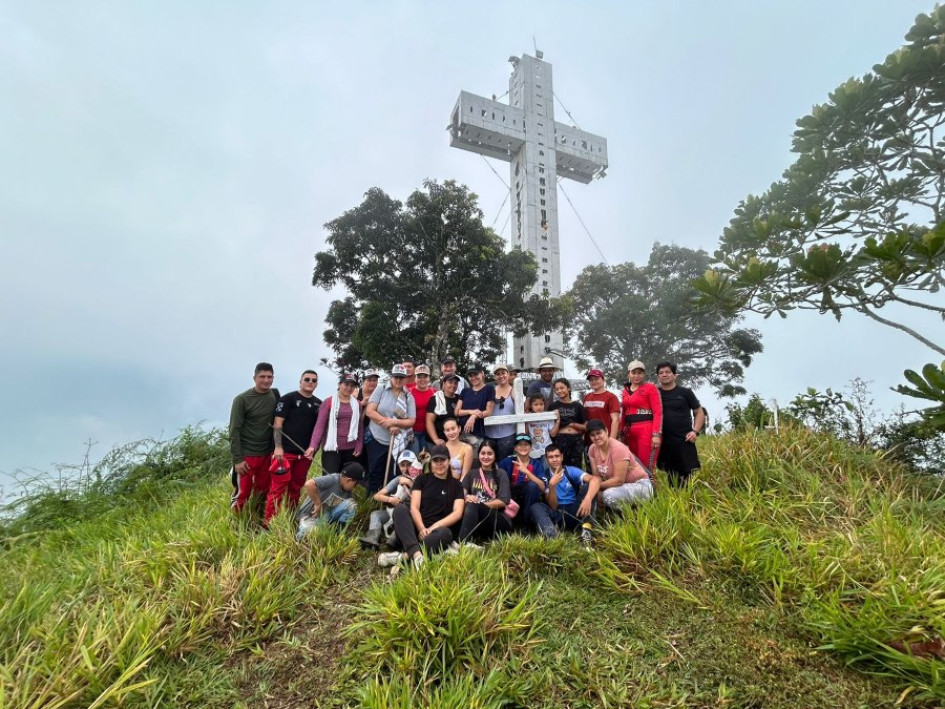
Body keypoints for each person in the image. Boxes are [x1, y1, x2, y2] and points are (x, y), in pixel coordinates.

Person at [377, 445, 465, 572]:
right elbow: (414, 507)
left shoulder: (457, 485)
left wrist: (432, 528)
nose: (439, 464)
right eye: (436, 461)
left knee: (446, 534)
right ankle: (418, 555)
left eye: (443, 460)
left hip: (437, 533)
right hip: (415, 531)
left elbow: (457, 513)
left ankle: (404, 556)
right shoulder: (422, 479)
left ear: (449, 461)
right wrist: (422, 528)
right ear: (431, 462)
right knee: (400, 509)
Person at [265, 370, 322, 525]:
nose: (310, 382)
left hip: (304, 455)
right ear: (300, 381)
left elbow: (319, 430)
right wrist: (278, 447)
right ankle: (269, 524)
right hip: (284, 453)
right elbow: (278, 424)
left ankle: (291, 521)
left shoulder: (319, 404)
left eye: (314, 380)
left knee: (295, 489)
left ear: (316, 384)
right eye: (307, 379)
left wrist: (314, 450)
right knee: (277, 489)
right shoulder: (288, 399)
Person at [230, 362, 279, 517]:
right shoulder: (242, 399)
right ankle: (235, 524)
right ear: (254, 378)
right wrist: (238, 459)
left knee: (262, 490)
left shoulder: (275, 396)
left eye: (269, 377)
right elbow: (234, 430)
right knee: (242, 493)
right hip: (247, 455)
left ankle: (255, 519)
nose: (266, 380)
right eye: (262, 377)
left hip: (266, 454)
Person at [528, 444, 601, 549]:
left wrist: (588, 498)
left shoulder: (570, 471)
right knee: (536, 507)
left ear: (562, 457)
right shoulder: (545, 476)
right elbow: (553, 506)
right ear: (547, 460)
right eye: (551, 457)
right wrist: (552, 486)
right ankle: (552, 536)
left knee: (589, 486)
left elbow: (596, 479)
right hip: (557, 514)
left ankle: (586, 529)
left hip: (576, 510)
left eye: (557, 456)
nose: (554, 459)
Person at [364, 365, 416, 493]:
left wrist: (395, 422)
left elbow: (411, 420)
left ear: (405, 379)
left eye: (401, 377)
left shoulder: (408, 396)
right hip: (377, 438)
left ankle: (388, 501)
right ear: (391, 377)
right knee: (375, 470)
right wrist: (387, 423)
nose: (398, 380)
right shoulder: (381, 389)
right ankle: (372, 501)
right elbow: (370, 411)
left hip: (398, 441)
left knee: (393, 473)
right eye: (396, 377)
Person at [360, 450, 423, 549]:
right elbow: (377, 496)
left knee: (404, 516)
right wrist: (390, 500)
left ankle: (392, 542)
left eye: (409, 464)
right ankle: (372, 538)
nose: (406, 468)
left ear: (415, 465)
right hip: (392, 512)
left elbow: (425, 497)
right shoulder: (398, 479)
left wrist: (410, 483)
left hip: (409, 515)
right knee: (376, 514)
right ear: (399, 466)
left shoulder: (421, 479)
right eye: (402, 465)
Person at [656, 361, 704, 488]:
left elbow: (699, 412)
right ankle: (675, 505)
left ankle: (689, 504)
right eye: (661, 373)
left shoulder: (685, 393)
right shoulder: (655, 394)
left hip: (684, 441)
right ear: (657, 377)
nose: (664, 375)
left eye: (668, 372)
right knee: (671, 477)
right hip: (664, 442)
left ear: (675, 375)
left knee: (687, 478)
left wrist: (695, 431)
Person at [306, 372, 364, 474]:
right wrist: (313, 446)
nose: (349, 388)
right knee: (330, 478)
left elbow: (359, 426)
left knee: (346, 479)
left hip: (351, 448)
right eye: (346, 384)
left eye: (352, 386)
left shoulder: (357, 404)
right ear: (339, 384)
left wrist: (359, 444)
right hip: (331, 448)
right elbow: (320, 426)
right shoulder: (328, 402)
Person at [457, 440, 513, 546]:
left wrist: (478, 506)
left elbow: (503, 501)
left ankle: (461, 544)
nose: (486, 457)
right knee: (468, 505)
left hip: (497, 519)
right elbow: (461, 495)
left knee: (472, 505)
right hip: (476, 519)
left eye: (490, 453)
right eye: (483, 453)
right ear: (478, 455)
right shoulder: (471, 474)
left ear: (495, 456)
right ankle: (466, 543)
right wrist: (467, 497)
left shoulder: (501, 474)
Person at [586, 420, 653, 507]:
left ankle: (633, 515)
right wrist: (595, 488)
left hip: (640, 485)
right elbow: (597, 477)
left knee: (608, 495)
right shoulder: (592, 449)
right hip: (618, 487)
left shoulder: (618, 448)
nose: (596, 437)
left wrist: (595, 487)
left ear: (606, 431)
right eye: (592, 435)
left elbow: (618, 480)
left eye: (599, 433)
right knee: (589, 491)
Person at [297, 461, 366, 537]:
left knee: (351, 504)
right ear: (348, 480)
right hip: (310, 516)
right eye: (356, 484)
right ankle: (319, 530)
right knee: (306, 532)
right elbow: (309, 484)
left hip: (327, 515)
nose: (355, 487)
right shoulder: (332, 479)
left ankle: (336, 534)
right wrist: (317, 503)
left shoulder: (348, 491)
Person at [620, 360, 663, 471]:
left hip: (646, 430)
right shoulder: (625, 391)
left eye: (640, 373)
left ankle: (651, 488)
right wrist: (621, 432)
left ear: (644, 374)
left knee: (646, 466)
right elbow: (624, 413)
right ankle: (638, 489)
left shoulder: (650, 388)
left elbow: (658, 412)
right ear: (628, 374)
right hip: (630, 431)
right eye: (634, 372)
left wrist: (656, 434)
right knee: (635, 465)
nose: (637, 375)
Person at [498, 433, 547, 524]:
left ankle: (527, 523)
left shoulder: (537, 464)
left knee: (532, 486)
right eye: (520, 444)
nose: (523, 447)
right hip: (511, 498)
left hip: (529, 499)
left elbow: (542, 487)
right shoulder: (506, 462)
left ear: (531, 447)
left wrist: (527, 472)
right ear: (515, 448)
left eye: (526, 445)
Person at [549, 378, 588, 468]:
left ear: (569, 388)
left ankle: (577, 482)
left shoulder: (578, 406)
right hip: (560, 439)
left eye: (562, 388)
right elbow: (548, 426)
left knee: (576, 466)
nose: (559, 391)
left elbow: (586, 427)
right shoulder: (553, 406)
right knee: (561, 466)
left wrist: (572, 425)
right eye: (557, 389)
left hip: (576, 440)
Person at [456, 365, 495, 446]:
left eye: (475, 374)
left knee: (476, 458)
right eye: (470, 375)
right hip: (460, 434)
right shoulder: (465, 391)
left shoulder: (489, 388)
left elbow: (489, 412)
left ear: (482, 374)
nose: (473, 378)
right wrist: (471, 412)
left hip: (477, 435)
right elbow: (457, 411)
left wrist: (473, 417)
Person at [485, 364, 517, 460]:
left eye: (503, 373)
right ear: (495, 377)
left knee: (504, 463)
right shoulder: (490, 391)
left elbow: (522, 409)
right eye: (498, 374)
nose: (501, 376)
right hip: (489, 434)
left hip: (508, 435)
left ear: (508, 374)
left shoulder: (515, 391)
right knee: (490, 463)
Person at [583, 368, 620, 442]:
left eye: (596, 379)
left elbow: (615, 420)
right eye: (591, 380)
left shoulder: (611, 397)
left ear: (603, 380)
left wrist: (612, 440)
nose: (594, 382)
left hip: (604, 439)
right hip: (590, 439)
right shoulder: (587, 397)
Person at [426, 373, 461, 446]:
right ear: (444, 383)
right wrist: (436, 439)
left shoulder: (460, 399)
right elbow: (429, 421)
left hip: (455, 441)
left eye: (455, 383)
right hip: (437, 443)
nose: (453, 385)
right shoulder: (435, 399)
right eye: (450, 382)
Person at [408, 364, 436, 453]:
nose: (422, 379)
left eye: (425, 376)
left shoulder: (434, 392)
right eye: (419, 377)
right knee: (414, 457)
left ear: (429, 378)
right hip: (413, 432)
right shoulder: (409, 392)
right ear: (415, 378)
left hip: (427, 433)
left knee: (424, 459)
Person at [524, 393, 559, 462]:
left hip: (547, 448)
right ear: (531, 406)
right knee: (536, 469)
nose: (539, 407)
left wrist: (557, 421)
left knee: (546, 469)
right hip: (533, 449)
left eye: (541, 404)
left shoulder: (548, 416)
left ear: (544, 405)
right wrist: (526, 421)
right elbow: (525, 433)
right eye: (536, 404)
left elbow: (553, 434)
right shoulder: (528, 417)